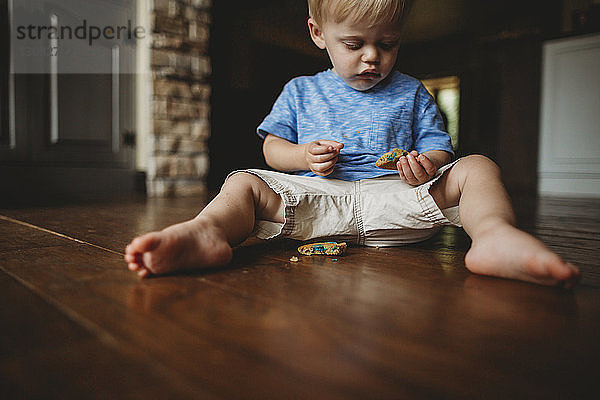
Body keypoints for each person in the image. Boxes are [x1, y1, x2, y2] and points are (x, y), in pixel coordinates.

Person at [125, 0, 580, 288]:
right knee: (242, 182)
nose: (372, 57)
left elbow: (442, 151)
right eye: (355, 43)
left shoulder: (413, 91)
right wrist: (302, 156)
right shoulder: (301, 90)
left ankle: (494, 236)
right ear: (318, 34)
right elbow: (272, 149)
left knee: (478, 166)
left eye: (388, 44)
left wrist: (427, 164)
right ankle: (209, 232)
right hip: (317, 202)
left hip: (398, 201)